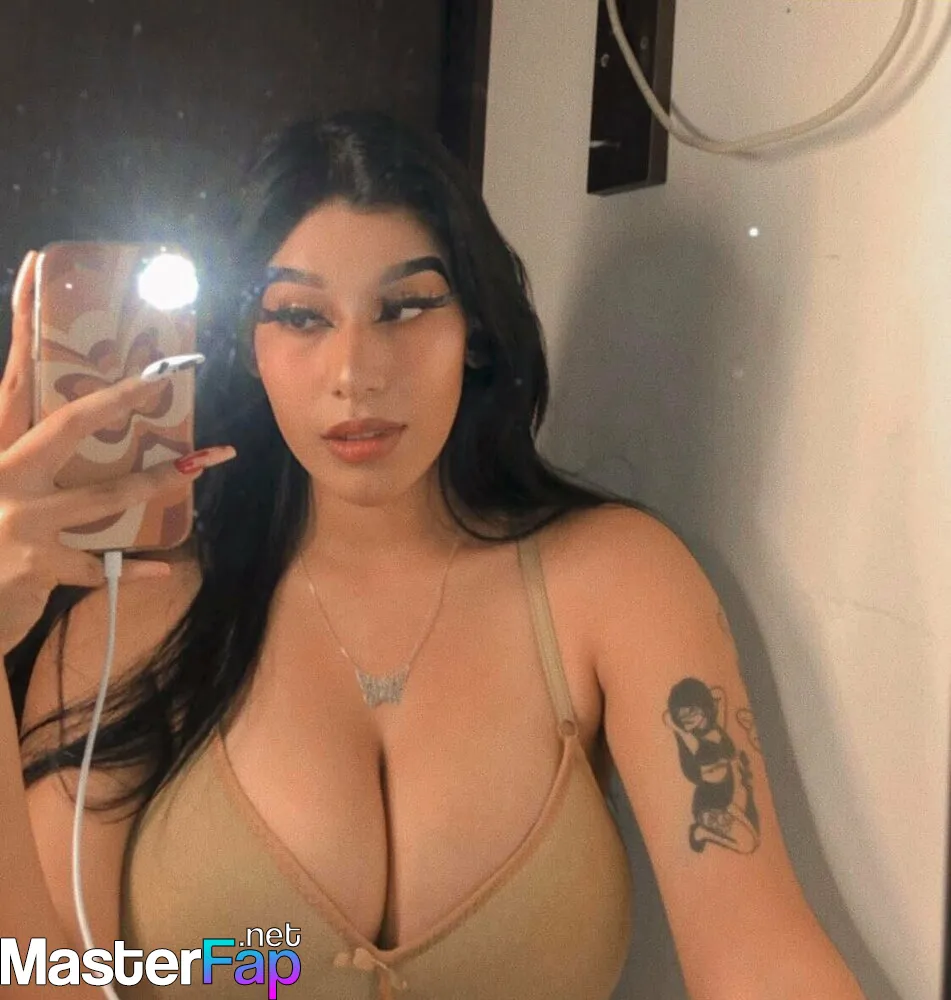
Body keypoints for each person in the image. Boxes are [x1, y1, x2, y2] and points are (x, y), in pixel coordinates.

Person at [0, 111, 866, 999]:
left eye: (405, 306)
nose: (356, 371)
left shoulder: (616, 584)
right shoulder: (136, 615)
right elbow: (39, 979)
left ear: (475, 328)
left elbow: (760, 957)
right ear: (248, 349)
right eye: (299, 316)